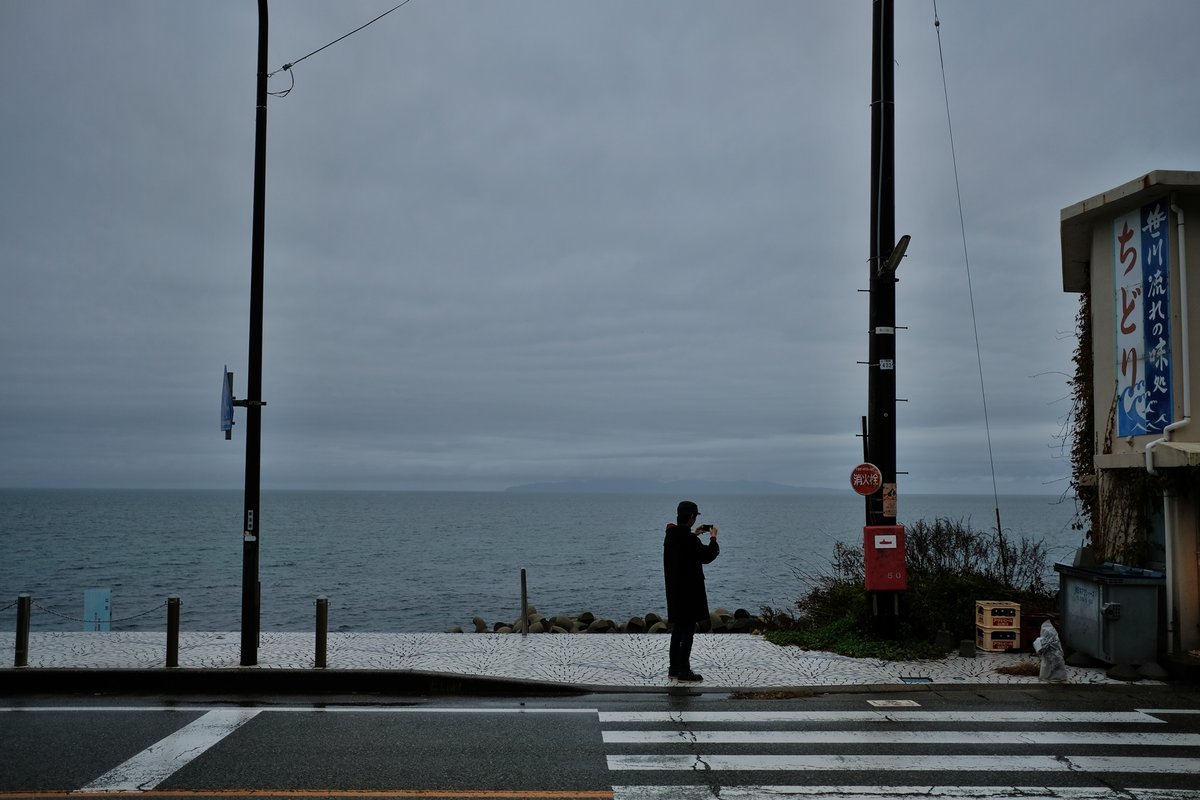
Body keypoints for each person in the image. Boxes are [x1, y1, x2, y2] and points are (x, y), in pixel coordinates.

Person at [663, 499, 719, 681]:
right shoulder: (689, 540)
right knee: (687, 631)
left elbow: (684, 545)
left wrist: (694, 534)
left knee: (677, 629)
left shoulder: (671, 535)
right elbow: (707, 555)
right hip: (689, 592)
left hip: (674, 590)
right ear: (692, 517)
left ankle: (674, 667)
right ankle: (684, 671)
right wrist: (713, 538)